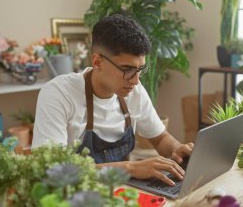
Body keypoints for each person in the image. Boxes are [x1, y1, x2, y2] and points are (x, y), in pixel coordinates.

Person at [32, 14, 194, 186]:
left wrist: (176, 148)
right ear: (97, 62)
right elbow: (51, 171)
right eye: (127, 69)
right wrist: (129, 168)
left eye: (140, 69)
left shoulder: (134, 91)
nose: (136, 80)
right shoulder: (59, 94)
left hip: (124, 193)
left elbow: (160, 138)